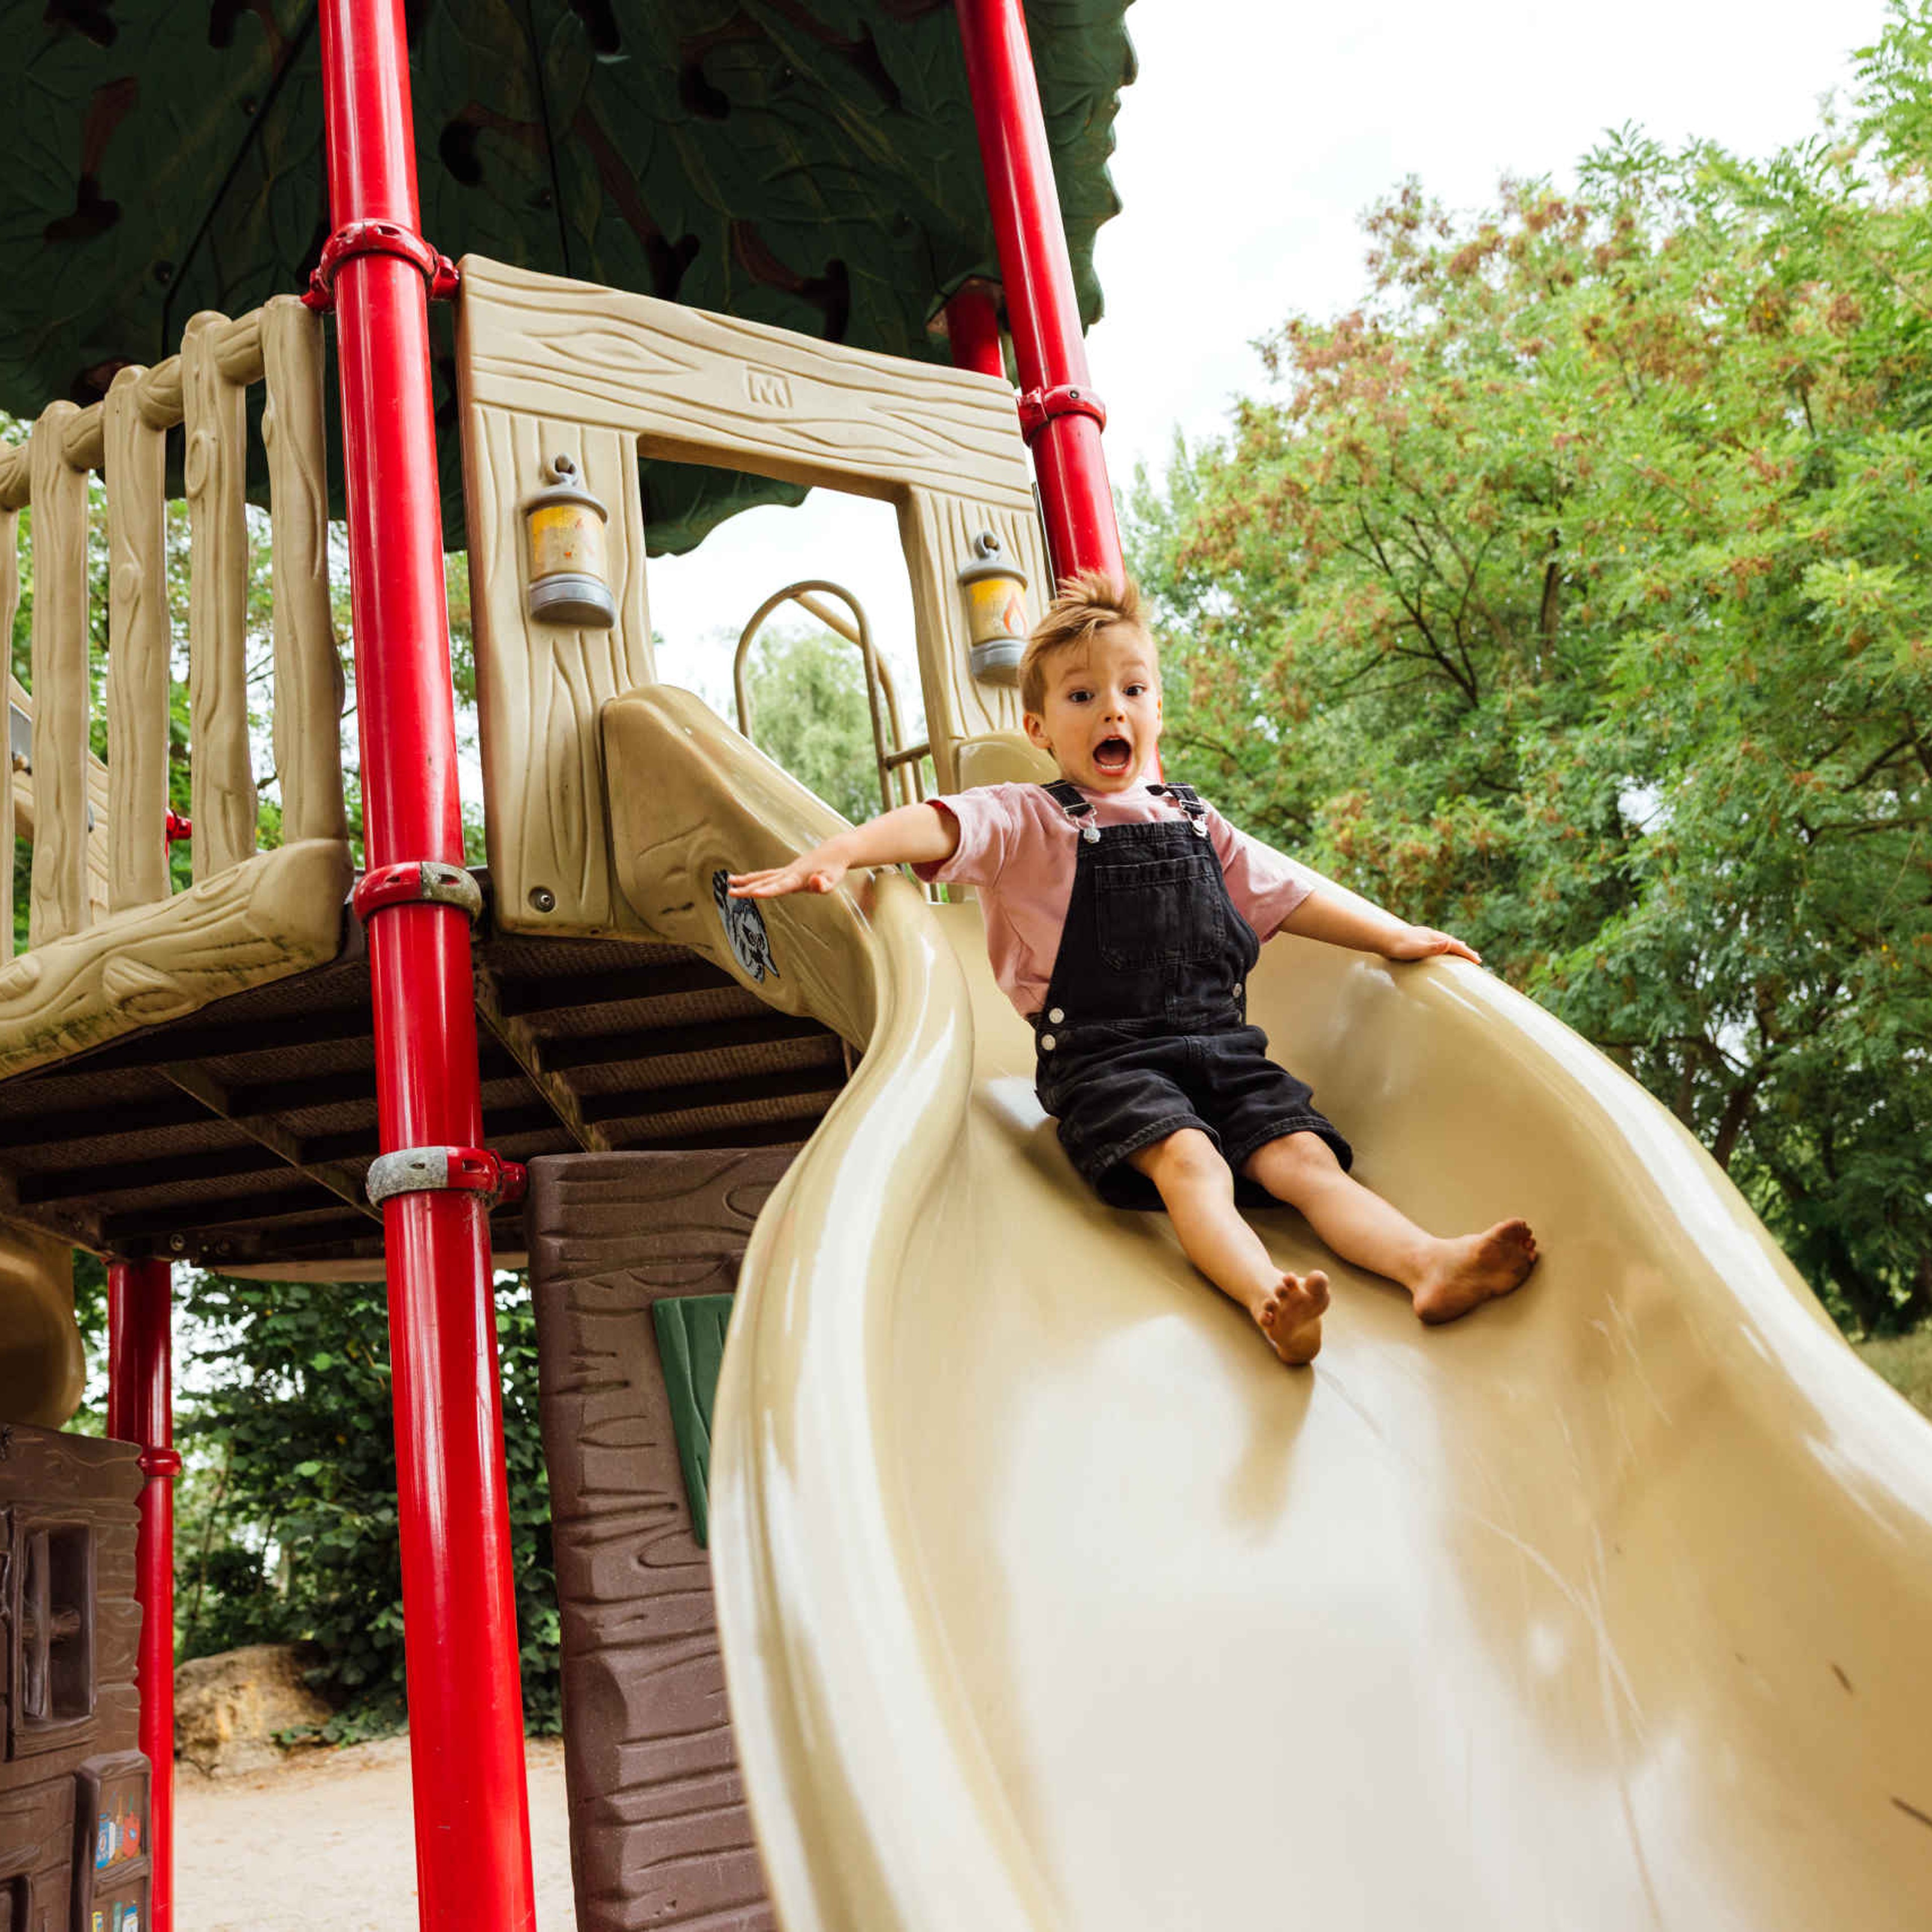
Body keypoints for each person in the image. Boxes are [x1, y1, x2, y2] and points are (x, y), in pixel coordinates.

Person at [729, 571, 1538, 1366]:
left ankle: (1426, 1264)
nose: (1112, 707)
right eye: (1082, 697)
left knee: (1304, 1160)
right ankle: (1268, 1297)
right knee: (1191, 1159)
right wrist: (842, 852)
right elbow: (935, 826)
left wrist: (1393, 936)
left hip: (1221, 1045)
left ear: (1157, 708)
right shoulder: (1029, 818)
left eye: (1133, 689)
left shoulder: (1196, 820)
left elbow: (1290, 893)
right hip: (1105, 1063)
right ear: (1040, 727)